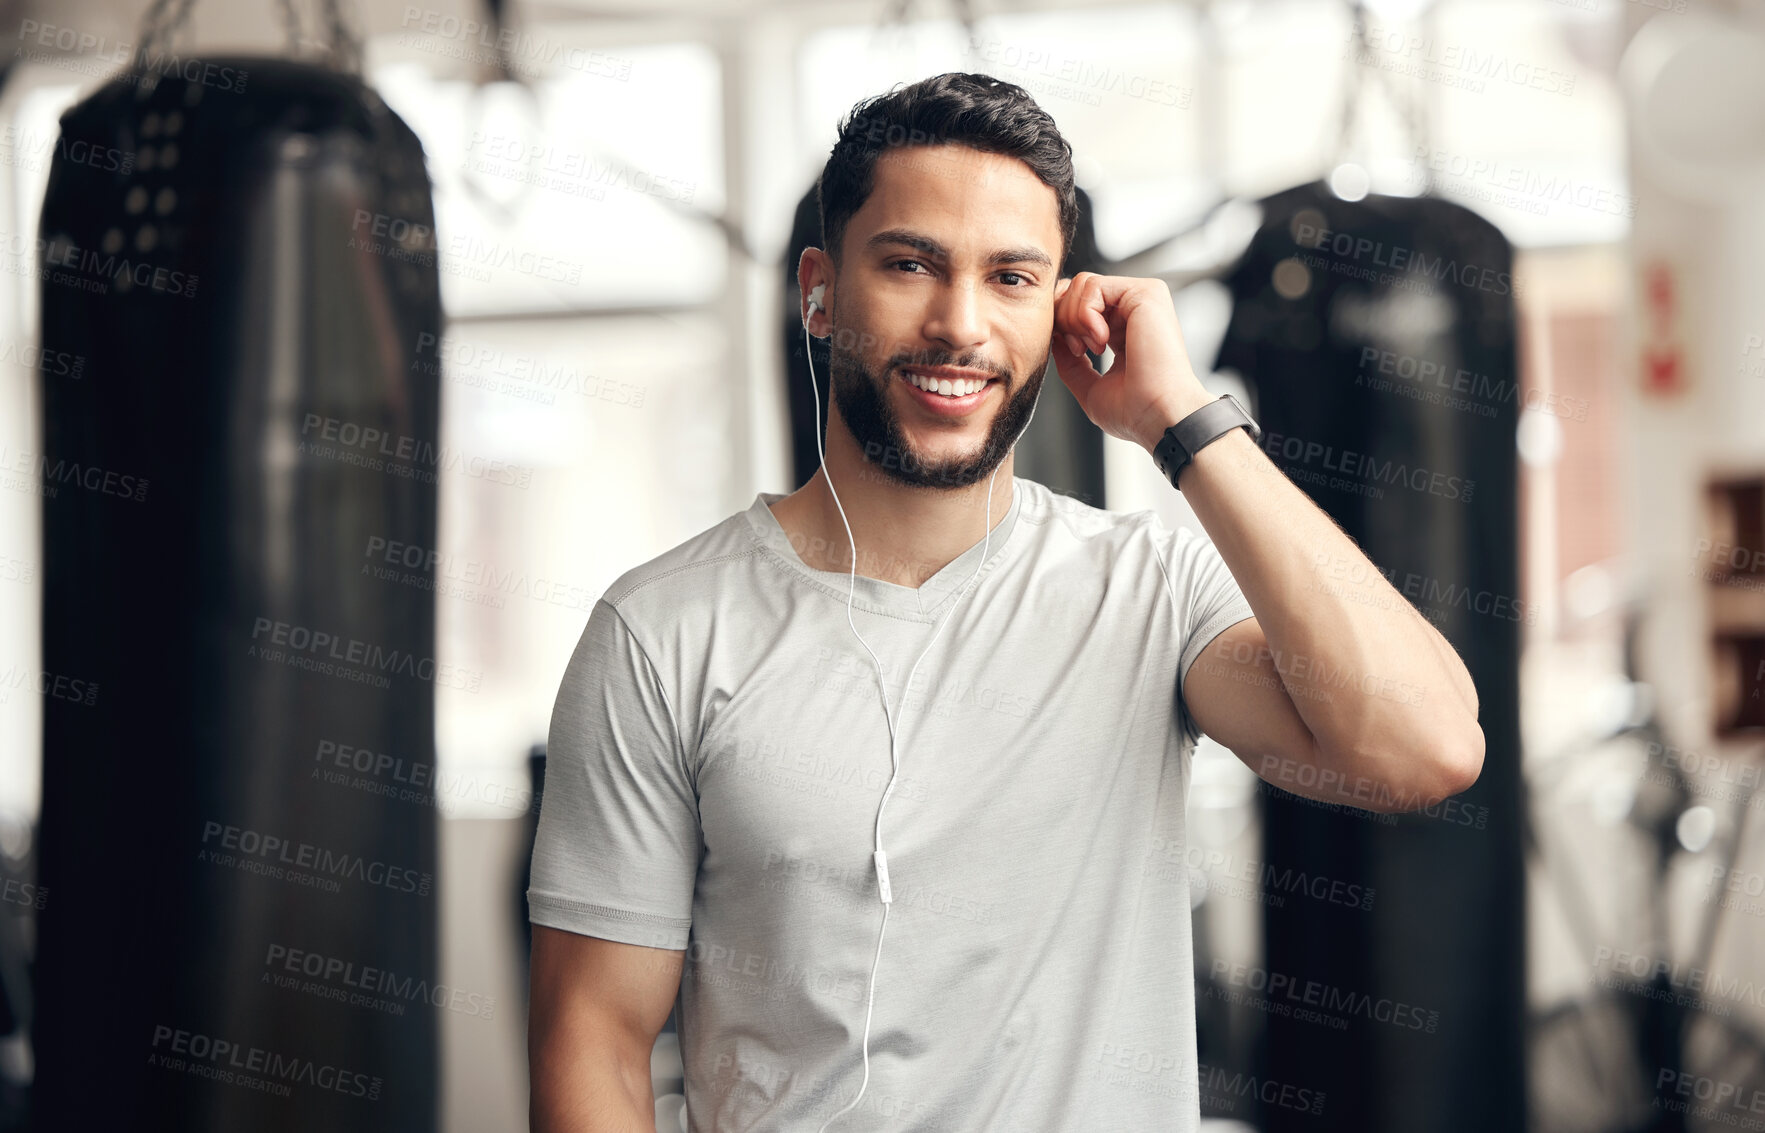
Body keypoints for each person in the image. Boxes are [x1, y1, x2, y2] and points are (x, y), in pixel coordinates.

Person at [527, 72, 1483, 1133]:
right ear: (818, 290)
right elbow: (594, 1039)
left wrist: (1182, 418)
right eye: (907, 264)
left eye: (1012, 277)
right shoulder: (662, 632)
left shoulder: (1149, 592)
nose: (960, 325)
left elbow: (1424, 748)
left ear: (1061, 307)